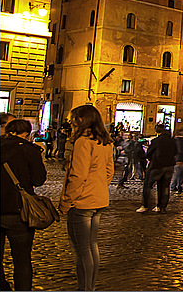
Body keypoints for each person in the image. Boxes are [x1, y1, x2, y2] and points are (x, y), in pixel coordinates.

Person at [59, 104, 115, 291]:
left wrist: (67, 202)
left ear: (81, 119)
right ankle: (88, 286)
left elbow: (78, 175)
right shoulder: (105, 141)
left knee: (82, 250)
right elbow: (109, 172)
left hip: (82, 202)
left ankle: (85, 288)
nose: (71, 123)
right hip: (98, 199)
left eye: (73, 119)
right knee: (91, 246)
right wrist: (98, 187)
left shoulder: (83, 142)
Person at [1, 118, 47, 291]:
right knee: (22, 260)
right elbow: (38, 180)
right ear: (27, 134)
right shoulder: (30, 150)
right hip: (18, 212)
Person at [137, 124, 176, 213]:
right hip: (169, 165)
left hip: (157, 165)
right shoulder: (172, 141)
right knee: (165, 187)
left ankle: (146, 205)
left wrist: (150, 159)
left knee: (148, 185)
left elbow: (149, 153)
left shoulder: (156, 141)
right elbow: (175, 152)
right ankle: (162, 207)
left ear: (157, 132)